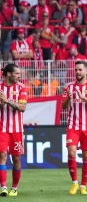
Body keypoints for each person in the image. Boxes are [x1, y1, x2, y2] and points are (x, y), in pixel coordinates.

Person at [62, 61, 87, 195]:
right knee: (71, 152)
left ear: (86, 72)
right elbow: (63, 107)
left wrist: (83, 98)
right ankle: (74, 183)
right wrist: (68, 98)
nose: (77, 72)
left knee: (86, 156)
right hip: (73, 126)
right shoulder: (69, 87)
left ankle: (83, 185)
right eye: (76, 70)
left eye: (80, 70)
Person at [0, 64, 27, 197]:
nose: (19, 76)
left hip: (17, 129)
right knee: (2, 155)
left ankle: (14, 188)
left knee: (16, 159)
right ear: (9, 74)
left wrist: (7, 101)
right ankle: (3, 187)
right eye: (16, 73)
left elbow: (22, 107)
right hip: (2, 128)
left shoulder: (21, 87)